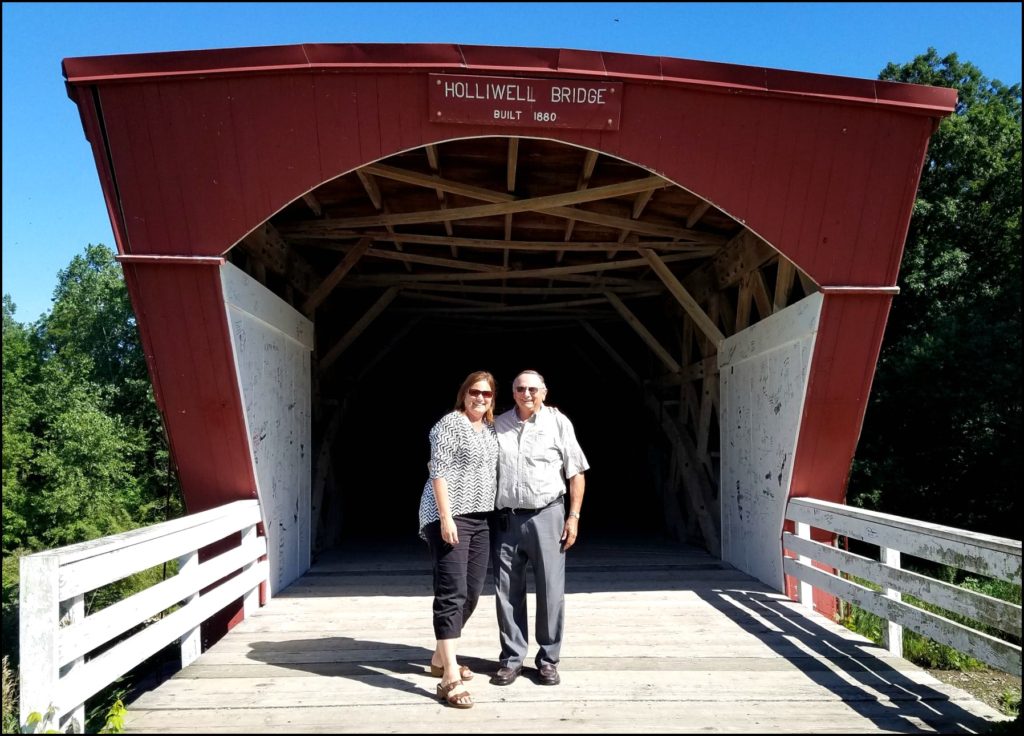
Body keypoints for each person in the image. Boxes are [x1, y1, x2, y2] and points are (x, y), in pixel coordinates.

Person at [490, 369, 589, 687]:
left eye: (533, 388)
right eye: (520, 388)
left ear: (545, 392)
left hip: (548, 514)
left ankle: (548, 660)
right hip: (506, 517)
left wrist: (573, 517)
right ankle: (511, 659)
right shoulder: (498, 424)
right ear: (513, 391)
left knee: (550, 591)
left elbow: (576, 472)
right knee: (506, 591)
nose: (526, 393)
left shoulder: (559, 423)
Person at [417, 371, 499, 709]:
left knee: (474, 590)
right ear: (463, 394)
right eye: (474, 392)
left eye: (487, 394)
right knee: (452, 591)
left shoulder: (492, 430)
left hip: (481, 519)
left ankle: (439, 655)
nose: (480, 398)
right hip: (449, 516)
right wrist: (446, 517)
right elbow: (438, 471)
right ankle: (449, 674)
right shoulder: (449, 425)